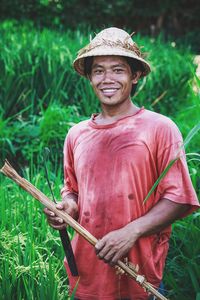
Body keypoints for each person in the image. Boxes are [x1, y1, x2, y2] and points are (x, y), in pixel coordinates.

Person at [44, 27, 199, 300]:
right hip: (86, 275)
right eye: (99, 70)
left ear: (135, 75)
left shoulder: (159, 128)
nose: (107, 79)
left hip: (138, 275)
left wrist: (130, 232)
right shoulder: (76, 134)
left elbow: (180, 198)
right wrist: (66, 208)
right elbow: (73, 190)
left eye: (118, 69)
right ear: (90, 77)